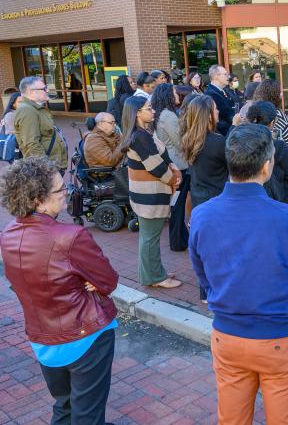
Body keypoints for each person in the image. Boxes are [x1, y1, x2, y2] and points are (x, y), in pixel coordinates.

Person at [189, 124, 288, 425]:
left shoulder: (202, 214)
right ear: (267, 166)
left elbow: (203, 274)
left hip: (228, 336)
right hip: (281, 336)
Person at [0, 157, 119, 425]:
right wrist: (88, 282)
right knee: (87, 414)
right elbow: (108, 281)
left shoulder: (7, 235)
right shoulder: (71, 236)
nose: (66, 193)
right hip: (84, 335)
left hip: (42, 338)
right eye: (60, 190)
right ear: (37, 200)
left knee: (64, 404)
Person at [117, 96, 182, 289]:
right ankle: (155, 277)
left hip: (146, 194)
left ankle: (152, 273)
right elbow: (156, 167)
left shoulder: (141, 133)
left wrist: (171, 166)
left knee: (148, 237)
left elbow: (162, 157)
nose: (153, 111)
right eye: (149, 108)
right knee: (150, 238)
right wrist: (174, 178)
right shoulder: (140, 137)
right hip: (149, 196)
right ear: (137, 112)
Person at [153, 82, 190, 251]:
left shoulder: (161, 114)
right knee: (178, 205)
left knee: (177, 204)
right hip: (179, 165)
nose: (177, 95)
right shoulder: (168, 116)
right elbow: (180, 141)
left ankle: (180, 238)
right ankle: (177, 241)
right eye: (174, 92)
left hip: (172, 163)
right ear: (168, 95)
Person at [245, 100, 288, 204]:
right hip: (276, 201)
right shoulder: (278, 146)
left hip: (248, 199)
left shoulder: (241, 144)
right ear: (272, 123)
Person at [182, 95, 227, 208]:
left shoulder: (189, 138)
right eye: (215, 108)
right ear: (209, 116)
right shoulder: (217, 142)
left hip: (198, 197)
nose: (218, 111)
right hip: (217, 198)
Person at [14, 77, 68, 172]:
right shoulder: (27, 110)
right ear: (31, 92)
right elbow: (31, 145)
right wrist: (47, 169)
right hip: (46, 170)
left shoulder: (35, 108)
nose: (47, 90)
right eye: (44, 89)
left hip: (53, 165)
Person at [254, 79, 288, 162]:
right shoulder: (276, 114)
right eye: (279, 92)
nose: (281, 94)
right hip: (285, 160)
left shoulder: (255, 111)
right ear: (273, 95)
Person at [204, 65, 237, 136]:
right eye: (225, 74)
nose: (228, 77)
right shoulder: (211, 94)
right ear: (216, 76)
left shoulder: (224, 90)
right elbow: (227, 115)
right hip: (224, 134)